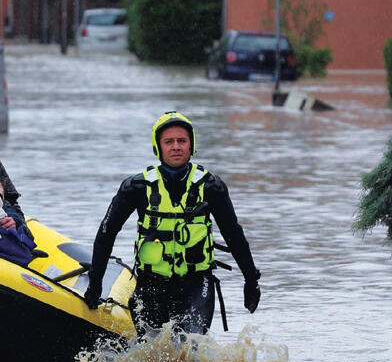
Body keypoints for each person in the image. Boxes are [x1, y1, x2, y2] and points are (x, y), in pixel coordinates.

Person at [84, 111, 261, 337]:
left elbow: (233, 234)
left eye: (182, 141)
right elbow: (107, 233)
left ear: (191, 146)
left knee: (190, 344)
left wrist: (250, 280)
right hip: (152, 284)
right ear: (158, 147)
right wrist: (95, 283)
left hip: (197, 284)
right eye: (169, 141)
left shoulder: (211, 187)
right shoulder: (135, 188)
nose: (176, 146)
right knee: (151, 350)